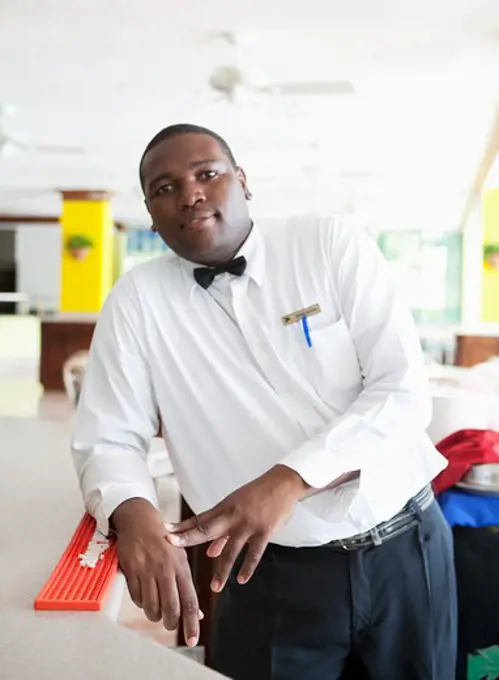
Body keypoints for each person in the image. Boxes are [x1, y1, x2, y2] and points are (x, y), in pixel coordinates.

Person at [71, 123, 457, 680]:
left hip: (405, 547)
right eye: (164, 188)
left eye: (206, 174)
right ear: (150, 215)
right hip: (267, 572)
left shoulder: (328, 244)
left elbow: (402, 392)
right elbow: (108, 436)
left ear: (242, 180)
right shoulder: (137, 303)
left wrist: (291, 478)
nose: (190, 194)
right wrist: (133, 516)